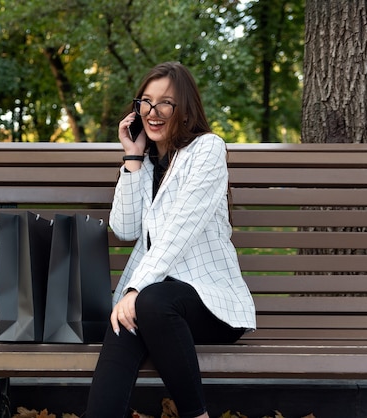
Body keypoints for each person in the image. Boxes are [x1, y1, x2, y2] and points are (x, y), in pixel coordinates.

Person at [84, 62, 256, 418]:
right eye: (145, 102)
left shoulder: (207, 150)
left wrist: (133, 290)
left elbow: (180, 229)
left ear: (186, 109)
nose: (153, 112)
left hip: (211, 305)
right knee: (125, 324)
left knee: (147, 302)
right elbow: (125, 228)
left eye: (165, 103)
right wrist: (132, 158)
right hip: (156, 306)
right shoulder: (146, 163)